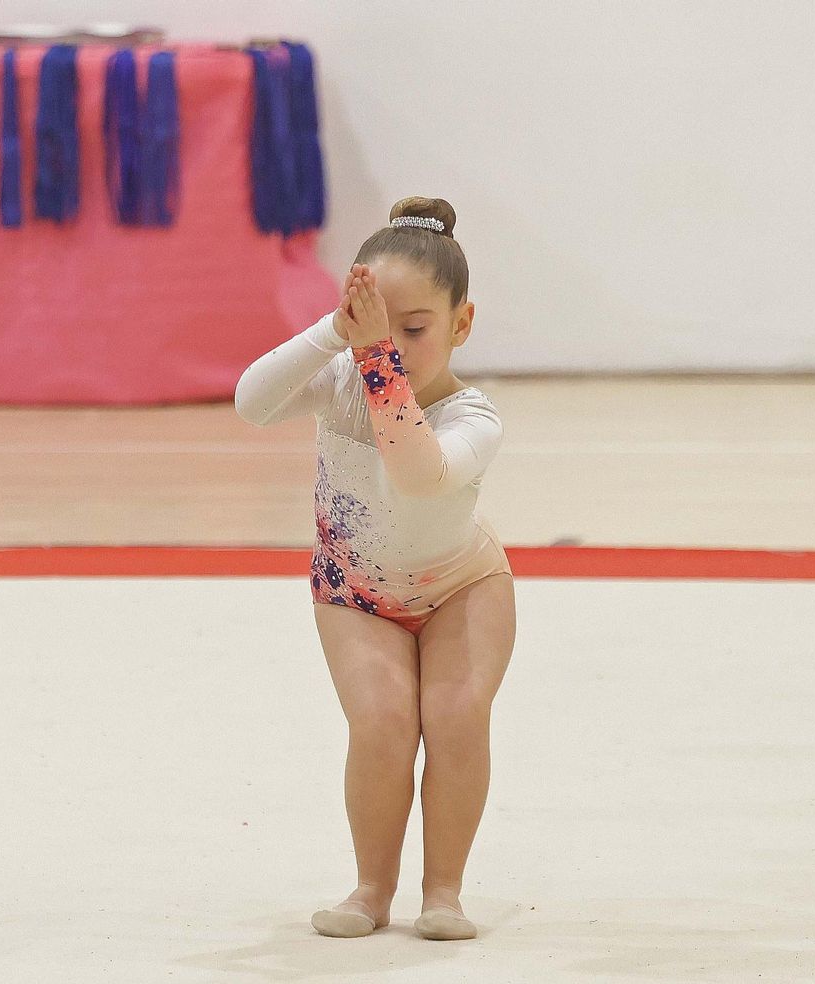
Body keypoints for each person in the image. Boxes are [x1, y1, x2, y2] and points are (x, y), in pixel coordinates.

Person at [234, 197, 517, 941]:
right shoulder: (341, 382)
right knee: (384, 723)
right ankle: (370, 889)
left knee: (455, 717)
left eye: (413, 328)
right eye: (373, 322)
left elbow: (419, 477)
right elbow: (251, 402)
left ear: (461, 324)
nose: (389, 343)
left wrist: (377, 360)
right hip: (355, 594)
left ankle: (445, 891)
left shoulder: (473, 417)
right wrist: (333, 336)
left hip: (462, 588)